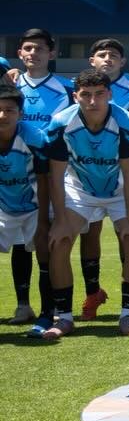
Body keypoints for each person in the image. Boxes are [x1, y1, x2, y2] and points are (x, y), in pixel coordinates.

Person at [40, 69, 129, 338]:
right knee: (59, 241)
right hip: (81, 189)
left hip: (120, 188)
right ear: (76, 96)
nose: (93, 101)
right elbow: (57, 175)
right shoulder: (61, 123)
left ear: (110, 94)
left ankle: (127, 314)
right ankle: (63, 317)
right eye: (85, 95)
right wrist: (61, 220)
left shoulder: (127, 122)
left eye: (99, 94)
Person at [13, 28, 72, 325]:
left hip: (51, 174)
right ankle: (23, 305)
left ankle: (51, 308)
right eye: (27, 48)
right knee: (19, 242)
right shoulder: (9, 85)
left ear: (52, 53)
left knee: (46, 239)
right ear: (20, 53)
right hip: (15, 174)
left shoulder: (67, 88)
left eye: (39, 48)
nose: (33, 53)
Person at [0, 82, 49, 329]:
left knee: (44, 253)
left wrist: (43, 221)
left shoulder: (35, 138)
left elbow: (45, 180)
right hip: (3, 206)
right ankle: (23, 305)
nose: (2, 115)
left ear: (20, 113)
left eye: (9, 110)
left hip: (34, 205)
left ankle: (49, 312)